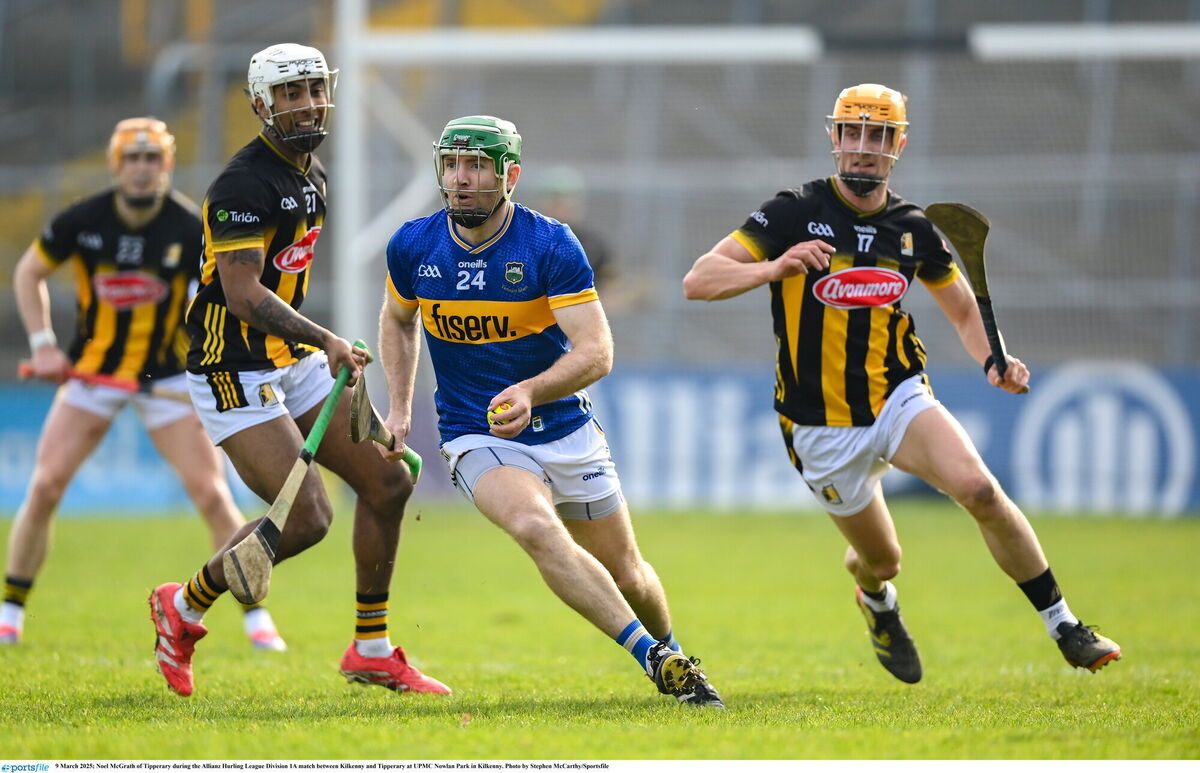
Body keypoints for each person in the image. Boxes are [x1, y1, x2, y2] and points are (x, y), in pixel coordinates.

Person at [682, 83, 1121, 683]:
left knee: (981, 491)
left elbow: (964, 311)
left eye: (879, 136)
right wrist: (775, 265)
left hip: (897, 396)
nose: (864, 148)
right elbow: (699, 280)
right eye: (854, 133)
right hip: (819, 423)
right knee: (882, 561)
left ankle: (1064, 624)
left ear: (899, 145)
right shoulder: (791, 212)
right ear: (834, 139)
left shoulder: (914, 229)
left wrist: (995, 357)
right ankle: (877, 602)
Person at [377, 115, 723, 708]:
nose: (460, 179)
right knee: (536, 526)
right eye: (451, 165)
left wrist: (533, 391)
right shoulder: (413, 244)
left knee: (629, 573)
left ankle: (677, 658)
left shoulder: (550, 244)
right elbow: (397, 320)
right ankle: (653, 659)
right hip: (474, 432)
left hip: (564, 429)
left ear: (509, 175)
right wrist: (401, 408)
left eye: (476, 165)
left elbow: (597, 352)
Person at [147, 43, 449, 698]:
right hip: (232, 367)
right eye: (291, 93)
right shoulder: (241, 186)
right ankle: (184, 605)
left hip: (293, 360)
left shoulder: (313, 173)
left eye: (315, 88)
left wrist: (315, 350)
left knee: (389, 482)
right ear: (261, 104)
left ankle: (370, 649)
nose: (308, 102)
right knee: (308, 516)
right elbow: (244, 293)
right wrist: (329, 338)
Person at [5, 117, 286, 653]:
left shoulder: (189, 224)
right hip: (95, 377)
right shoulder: (83, 220)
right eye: (131, 159)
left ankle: (255, 614)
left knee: (210, 493)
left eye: (151, 159)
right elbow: (27, 274)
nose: (141, 169)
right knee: (44, 486)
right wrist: (42, 343)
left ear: (167, 165)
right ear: (115, 166)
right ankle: (10, 610)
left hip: (168, 380)